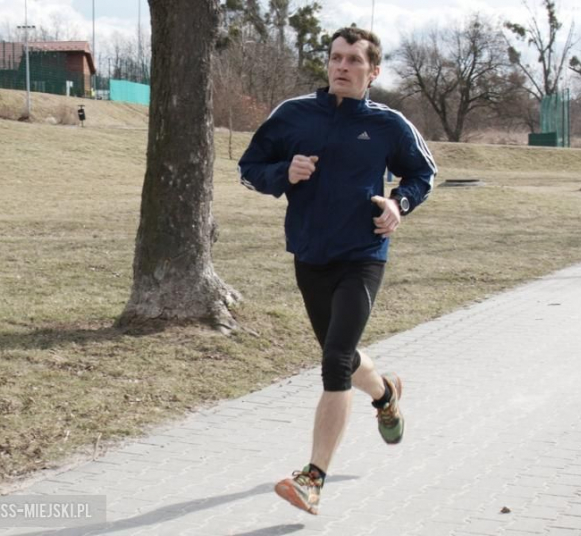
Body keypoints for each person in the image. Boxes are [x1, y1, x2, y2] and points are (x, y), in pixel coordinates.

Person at [238, 26, 437, 515]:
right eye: (335, 58)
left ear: (374, 70)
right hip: (309, 256)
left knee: (334, 360)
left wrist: (398, 204)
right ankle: (386, 393)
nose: (342, 67)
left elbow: (422, 174)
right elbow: (249, 166)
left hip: (363, 256)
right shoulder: (293, 114)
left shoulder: (389, 124)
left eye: (353, 60)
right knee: (340, 355)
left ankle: (312, 478)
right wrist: (283, 173)